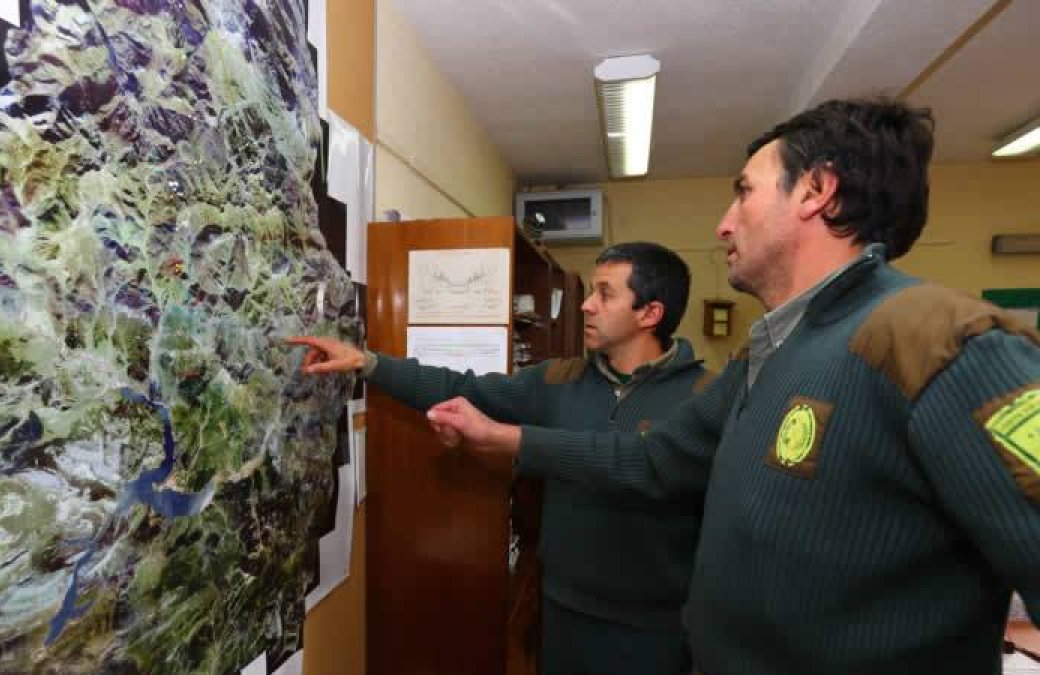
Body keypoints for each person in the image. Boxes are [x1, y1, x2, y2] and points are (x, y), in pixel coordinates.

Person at [425, 98, 1040, 675]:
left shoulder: (941, 341)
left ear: (817, 192)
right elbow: (653, 458)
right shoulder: (768, 355)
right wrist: (506, 439)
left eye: (744, 192)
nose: (723, 225)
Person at [290, 242, 712, 675]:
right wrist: (369, 363)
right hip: (562, 617)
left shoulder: (705, 400)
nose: (586, 306)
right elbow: (461, 387)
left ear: (650, 314)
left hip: (654, 634)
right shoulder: (557, 380)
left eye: (605, 294)